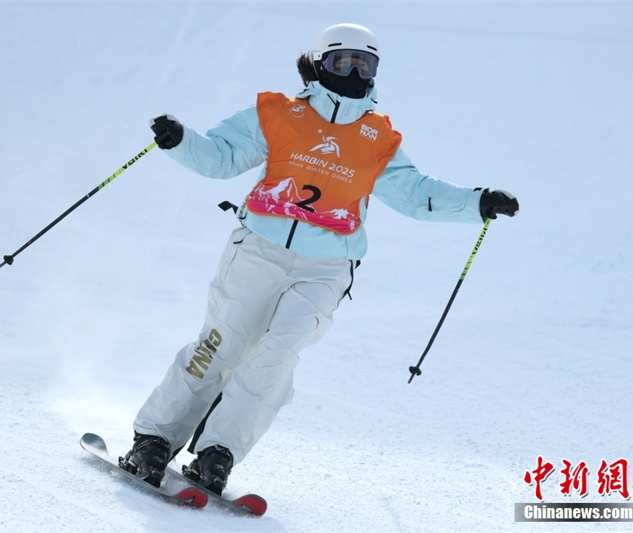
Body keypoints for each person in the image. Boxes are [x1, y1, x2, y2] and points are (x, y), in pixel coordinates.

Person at [119, 23, 519, 494]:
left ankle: (218, 451)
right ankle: (153, 440)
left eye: (364, 65)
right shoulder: (277, 114)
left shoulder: (377, 138)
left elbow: (415, 194)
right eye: (343, 62)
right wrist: (181, 139)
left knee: (277, 358)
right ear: (320, 63)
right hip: (258, 253)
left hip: (326, 269)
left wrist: (476, 203)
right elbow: (221, 158)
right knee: (221, 344)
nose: (354, 73)